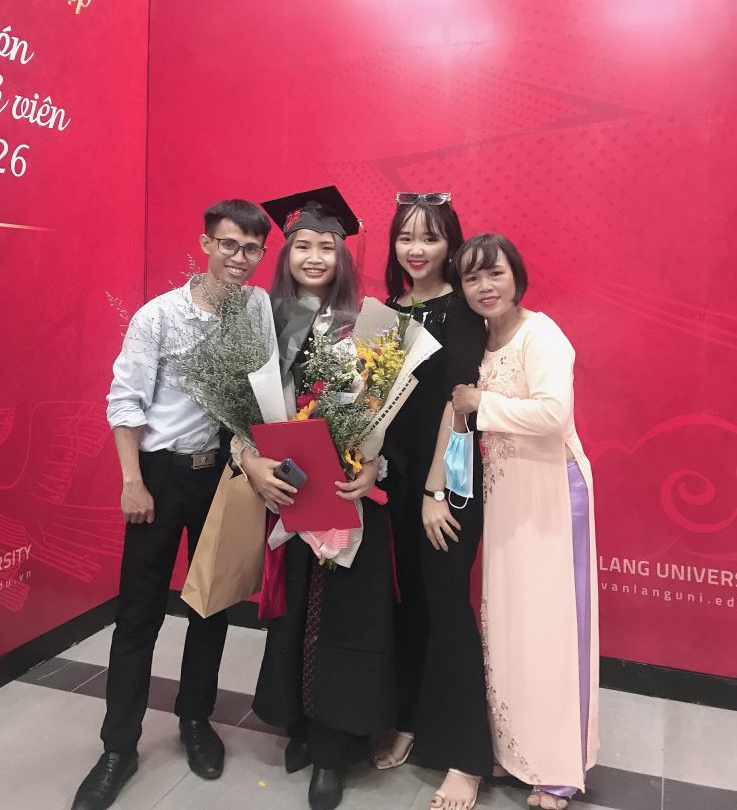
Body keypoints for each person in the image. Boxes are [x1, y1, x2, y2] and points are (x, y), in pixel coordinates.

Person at [71, 199, 273, 810]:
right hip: (160, 477)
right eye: (229, 244)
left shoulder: (257, 310)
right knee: (139, 615)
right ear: (206, 244)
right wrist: (132, 480)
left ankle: (195, 720)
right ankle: (118, 747)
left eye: (252, 249)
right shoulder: (158, 316)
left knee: (212, 605)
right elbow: (125, 401)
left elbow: (264, 394)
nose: (239, 258)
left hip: (226, 477)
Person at [237, 188, 396, 810]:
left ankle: (333, 748)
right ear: (286, 254)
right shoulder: (262, 322)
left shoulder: (367, 325)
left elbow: (388, 416)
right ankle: (299, 723)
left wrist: (374, 463)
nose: (313, 256)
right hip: (289, 494)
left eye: (326, 246)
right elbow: (239, 415)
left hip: (344, 498)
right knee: (296, 612)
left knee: (341, 619)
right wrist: (251, 460)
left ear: (341, 256)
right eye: (301, 245)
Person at [451, 234, 598, 810]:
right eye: (472, 278)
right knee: (511, 625)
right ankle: (516, 751)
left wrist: (478, 404)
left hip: (553, 491)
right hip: (506, 494)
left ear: (516, 277)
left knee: (553, 629)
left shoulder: (542, 335)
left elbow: (554, 414)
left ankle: (558, 769)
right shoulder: (482, 340)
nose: (485, 287)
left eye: (495, 274)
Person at [374, 192, 492, 810]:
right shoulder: (387, 311)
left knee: (447, 608)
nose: (416, 249)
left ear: (451, 244)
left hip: (449, 483)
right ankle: (410, 719)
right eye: (405, 238)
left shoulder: (463, 310)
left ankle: (466, 758)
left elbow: (459, 403)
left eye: (429, 237)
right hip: (393, 480)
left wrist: (435, 490)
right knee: (407, 605)